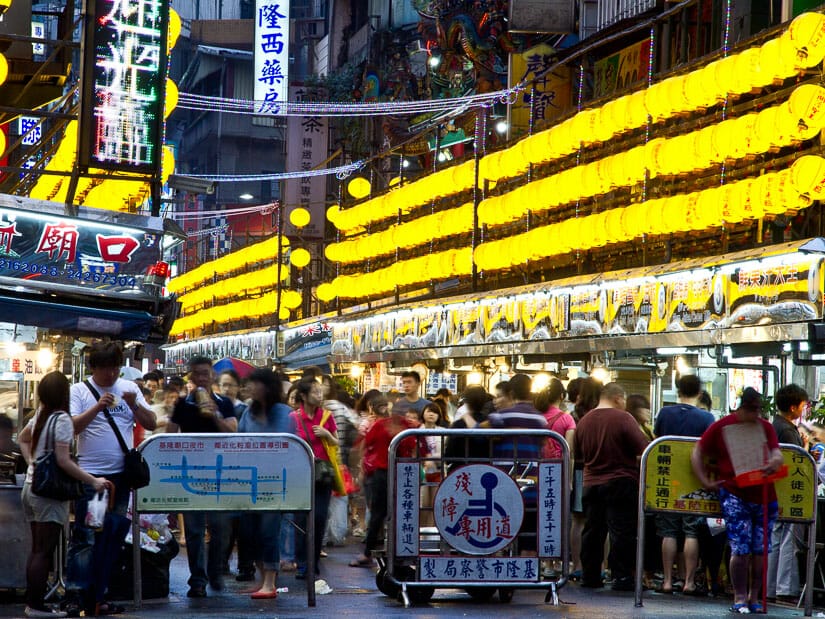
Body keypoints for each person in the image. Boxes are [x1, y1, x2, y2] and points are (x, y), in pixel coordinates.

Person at [62, 342, 156, 617]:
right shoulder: (79, 391)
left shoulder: (130, 389)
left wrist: (134, 404)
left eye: (115, 368)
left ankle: (99, 595)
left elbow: (151, 422)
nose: (111, 375)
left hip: (121, 479)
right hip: (93, 480)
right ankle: (76, 595)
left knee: (112, 538)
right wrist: (97, 406)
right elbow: (72, 428)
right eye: (105, 369)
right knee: (88, 537)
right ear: (94, 368)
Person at [19, 372, 110, 619]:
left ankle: (34, 603)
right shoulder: (62, 420)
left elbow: (22, 438)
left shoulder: (41, 414)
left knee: (37, 549)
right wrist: (93, 480)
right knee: (43, 551)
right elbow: (63, 461)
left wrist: (33, 464)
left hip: (31, 488)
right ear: (64, 393)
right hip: (48, 493)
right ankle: (36, 606)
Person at [691, 387, 783, 614]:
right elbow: (698, 452)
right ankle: (739, 596)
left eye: (758, 410)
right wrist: (705, 480)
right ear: (741, 408)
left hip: (764, 494)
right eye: (752, 410)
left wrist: (774, 462)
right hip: (734, 494)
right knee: (740, 549)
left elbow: (777, 453)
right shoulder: (722, 426)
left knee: (760, 549)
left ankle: (754, 596)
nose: (755, 415)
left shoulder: (766, 427)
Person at [165, 355, 237, 598]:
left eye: (206, 373)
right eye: (198, 374)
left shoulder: (224, 403)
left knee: (220, 527)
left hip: (219, 471)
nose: (202, 378)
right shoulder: (183, 404)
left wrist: (214, 415)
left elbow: (234, 431)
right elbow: (169, 434)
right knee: (194, 529)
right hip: (190, 471)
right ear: (192, 377)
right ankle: (197, 578)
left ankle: (215, 569)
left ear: (212, 375)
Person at [574, 382, 649, 591]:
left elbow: (577, 454)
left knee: (592, 531)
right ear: (618, 398)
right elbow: (645, 448)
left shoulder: (584, 421)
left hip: (590, 483)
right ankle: (621, 577)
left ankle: (590, 576)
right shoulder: (623, 418)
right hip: (620, 481)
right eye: (623, 400)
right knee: (621, 532)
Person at [653, 374, 715, 595]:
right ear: (699, 393)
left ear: (678, 390)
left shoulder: (664, 413)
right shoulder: (707, 418)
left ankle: (668, 581)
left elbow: (656, 440)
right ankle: (688, 582)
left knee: (668, 532)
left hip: (668, 480)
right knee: (691, 532)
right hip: (694, 483)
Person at [236, 369, 294, 599]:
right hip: (249, 481)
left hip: (275, 481)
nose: (250, 388)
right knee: (250, 532)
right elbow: (239, 440)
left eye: (254, 384)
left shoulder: (284, 413)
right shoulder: (248, 413)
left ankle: (270, 581)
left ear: (267, 386)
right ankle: (263, 578)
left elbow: (290, 445)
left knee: (269, 531)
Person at [350, 393, 418, 567]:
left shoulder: (390, 425)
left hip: (388, 473)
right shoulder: (403, 426)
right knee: (395, 512)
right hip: (398, 472)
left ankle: (373, 553)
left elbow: (363, 445)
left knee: (383, 513)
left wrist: (362, 468)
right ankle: (397, 551)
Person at [290, 377, 339, 580]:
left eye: (321, 392)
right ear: (303, 395)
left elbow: (336, 442)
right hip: (300, 475)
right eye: (315, 392)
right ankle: (302, 562)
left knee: (319, 518)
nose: (320, 395)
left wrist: (327, 434)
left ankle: (313, 561)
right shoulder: (293, 417)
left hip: (323, 474)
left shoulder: (326, 416)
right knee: (301, 519)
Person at [767, 383, 809, 603]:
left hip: (775, 490)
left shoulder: (775, 425)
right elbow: (796, 462)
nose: (804, 409)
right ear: (793, 407)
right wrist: (805, 448)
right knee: (788, 540)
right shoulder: (786, 429)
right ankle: (785, 588)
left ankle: (771, 587)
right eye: (803, 405)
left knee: (776, 538)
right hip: (789, 490)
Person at [535, 377, 574, 459]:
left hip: (536, 464)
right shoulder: (567, 419)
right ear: (562, 395)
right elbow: (569, 450)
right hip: (557, 465)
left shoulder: (535, 416)